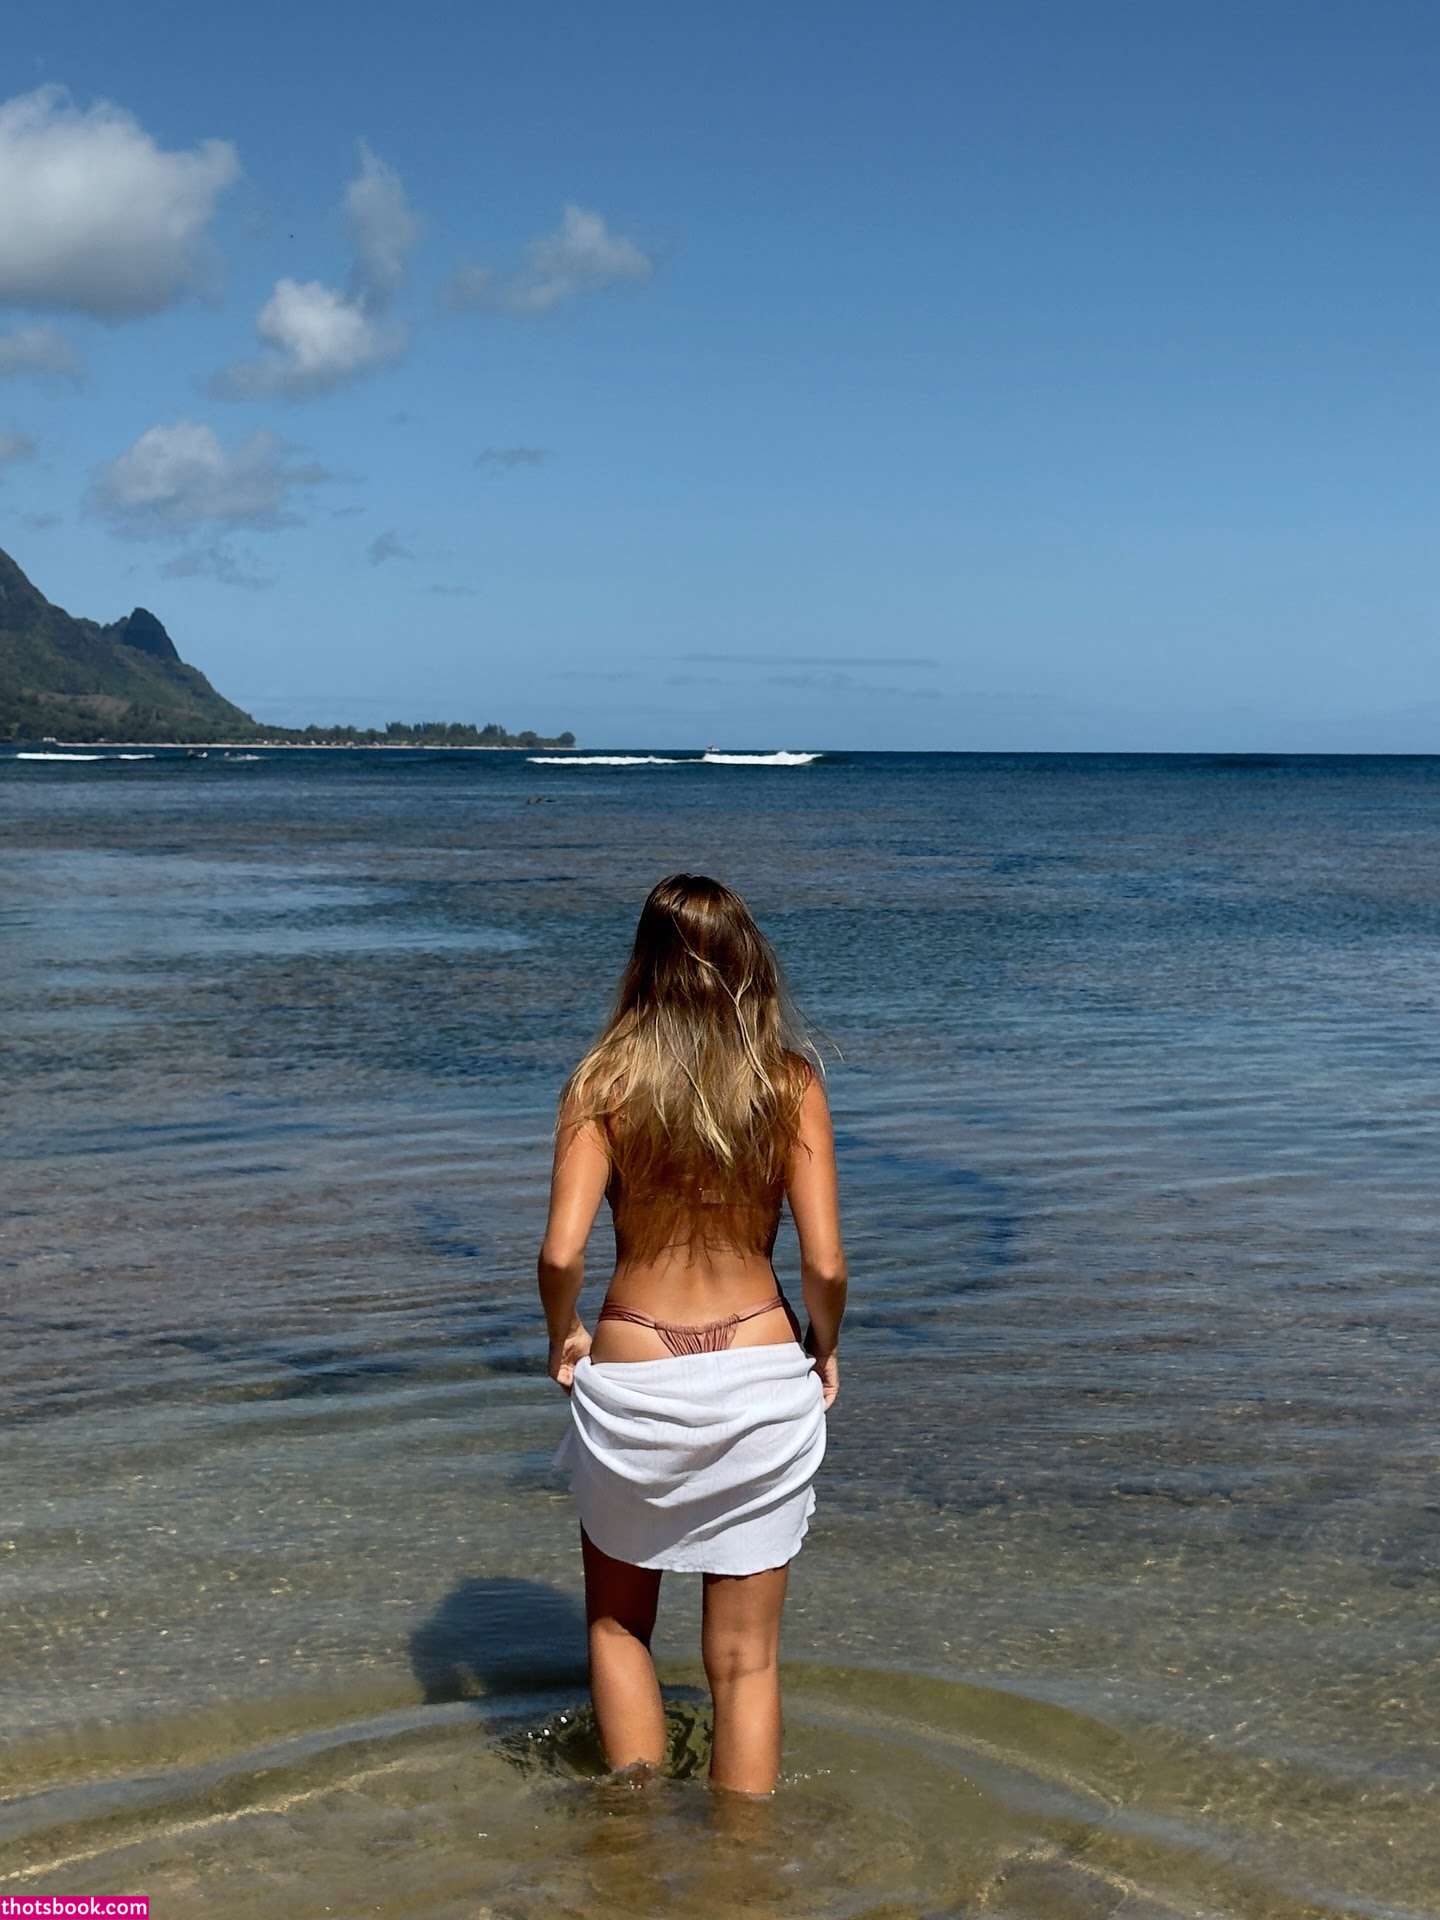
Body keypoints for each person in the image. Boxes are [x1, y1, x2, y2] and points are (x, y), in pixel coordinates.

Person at [540, 873, 847, 1795]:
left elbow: (560, 1254)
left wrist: (566, 1335)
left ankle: (628, 1848)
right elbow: (825, 1266)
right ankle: (741, 1876)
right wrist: (824, 1344)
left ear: (643, 964)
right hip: (758, 1367)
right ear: (749, 962)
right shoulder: (787, 1083)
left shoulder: (602, 1081)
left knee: (618, 1627)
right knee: (745, 1664)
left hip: (635, 1365)